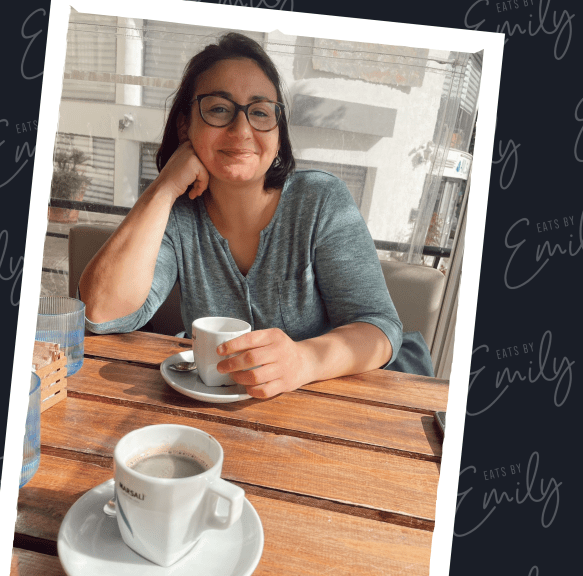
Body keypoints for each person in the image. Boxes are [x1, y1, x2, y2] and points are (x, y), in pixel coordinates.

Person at [79, 32, 409, 398]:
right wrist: (165, 187)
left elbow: (379, 327)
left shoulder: (320, 201)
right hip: (208, 411)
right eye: (219, 109)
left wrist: (304, 360)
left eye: (261, 112)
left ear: (278, 135)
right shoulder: (176, 216)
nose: (241, 130)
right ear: (185, 125)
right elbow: (103, 313)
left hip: (316, 408)